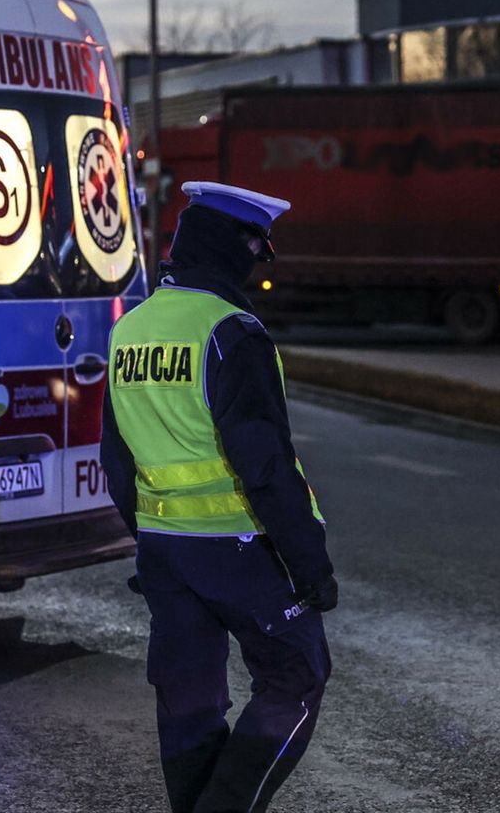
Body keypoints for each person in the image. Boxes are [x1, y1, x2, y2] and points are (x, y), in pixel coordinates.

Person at [101, 181, 337, 813]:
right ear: (231, 246)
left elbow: (115, 459)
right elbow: (264, 465)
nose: (257, 270)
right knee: (296, 674)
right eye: (256, 251)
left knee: (190, 695)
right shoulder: (232, 332)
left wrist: (150, 542)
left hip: (166, 553)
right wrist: (309, 564)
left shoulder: (133, 330)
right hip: (242, 548)